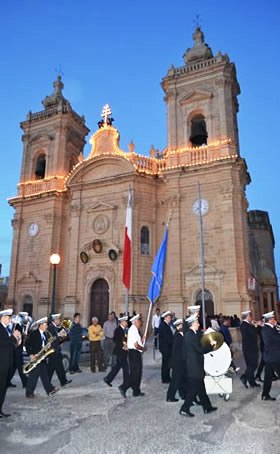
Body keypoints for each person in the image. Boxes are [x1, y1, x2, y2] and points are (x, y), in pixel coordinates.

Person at [180, 314, 217, 417]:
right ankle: (184, 408)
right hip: (194, 366)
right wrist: (211, 345)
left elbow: (200, 340)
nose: (199, 324)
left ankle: (207, 407)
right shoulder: (190, 335)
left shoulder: (193, 333)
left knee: (201, 388)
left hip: (196, 365)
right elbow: (200, 349)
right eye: (197, 323)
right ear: (192, 324)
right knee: (193, 389)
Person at [25, 317, 59, 398]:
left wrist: (49, 347)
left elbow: (45, 345)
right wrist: (30, 354)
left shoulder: (45, 334)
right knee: (33, 376)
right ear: (40, 325)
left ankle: (49, 390)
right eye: (45, 324)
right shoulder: (34, 334)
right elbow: (27, 344)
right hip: (35, 358)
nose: (47, 326)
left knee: (45, 375)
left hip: (42, 358)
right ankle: (29, 393)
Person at [0, 309, 21, 418]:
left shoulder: (6, 328)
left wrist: (17, 339)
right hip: (1, 364)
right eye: (8, 318)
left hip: (6, 364)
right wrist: (13, 336)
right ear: (2, 318)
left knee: (3, 388)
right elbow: (4, 343)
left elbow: (10, 345)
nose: (10, 320)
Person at [118, 314, 146, 398]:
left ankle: (136, 391)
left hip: (135, 353)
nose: (141, 322)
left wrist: (143, 340)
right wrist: (142, 348)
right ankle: (124, 387)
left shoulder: (135, 330)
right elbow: (136, 345)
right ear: (135, 322)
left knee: (137, 373)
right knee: (135, 373)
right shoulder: (133, 330)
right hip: (134, 353)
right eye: (139, 321)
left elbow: (137, 342)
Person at [104, 315, 129, 387]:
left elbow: (125, 339)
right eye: (125, 322)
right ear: (121, 322)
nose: (126, 323)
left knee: (117, 366)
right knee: (125, 367)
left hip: (123, 351)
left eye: (126, 322)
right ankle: (126, 383)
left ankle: (108, 379)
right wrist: (123, 345)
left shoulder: (124, 330)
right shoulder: (118, 330)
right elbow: (116, 340)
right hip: (120, 351)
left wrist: (126, 345)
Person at [47, 313, 72, 386]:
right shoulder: (50, 327)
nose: (59, 321)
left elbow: (59, 338)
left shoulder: (55, 327)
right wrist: (59, 335)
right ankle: (48, 383)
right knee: (51, 369)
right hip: (53, 350)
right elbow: (51, 339)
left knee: (59, 367)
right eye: (58, 319)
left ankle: (63, 381)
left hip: (56, 350)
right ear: (54, 320)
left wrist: (64, 336)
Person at [261, 311, 280, 401]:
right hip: (274, 357)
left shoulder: (269, 328)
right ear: (270, 320)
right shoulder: (268, 329)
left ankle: (265, 395)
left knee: (268, 377)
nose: (275, 319)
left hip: (269, 357)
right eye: (273, 318)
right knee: (269, 376)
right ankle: (265, 394)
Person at [166, 319, 186, 402]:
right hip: (177, 363)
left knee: (181, 379)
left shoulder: (181, 335)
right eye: (181, 325)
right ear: (178, 327)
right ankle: (170, 397)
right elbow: (178, 352)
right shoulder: (178, 337)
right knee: (175, 380)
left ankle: (183, 394)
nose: (183, 326)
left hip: (179, 362)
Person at [239, 311, 260, 388]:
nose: (251, 317)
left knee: (250, 365)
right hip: (250, 349)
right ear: (247, 316)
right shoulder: (245, 325)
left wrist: (254, 325)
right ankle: (244, 377)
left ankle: (252, 382)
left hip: (249, 348)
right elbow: (254, 333)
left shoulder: (246, 324)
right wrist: (256, 326)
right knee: (253, 365)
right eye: (250, 316)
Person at [158, 310, 173, 383]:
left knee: (166, 363)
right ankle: (165, 378)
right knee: (166, 364)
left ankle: (166, 377)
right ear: (166, 318)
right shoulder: (163, 326)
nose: (170, 319)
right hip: (165, 348)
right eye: (169, 318)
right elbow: (167, 338)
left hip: (166, 348)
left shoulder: (165, 325)